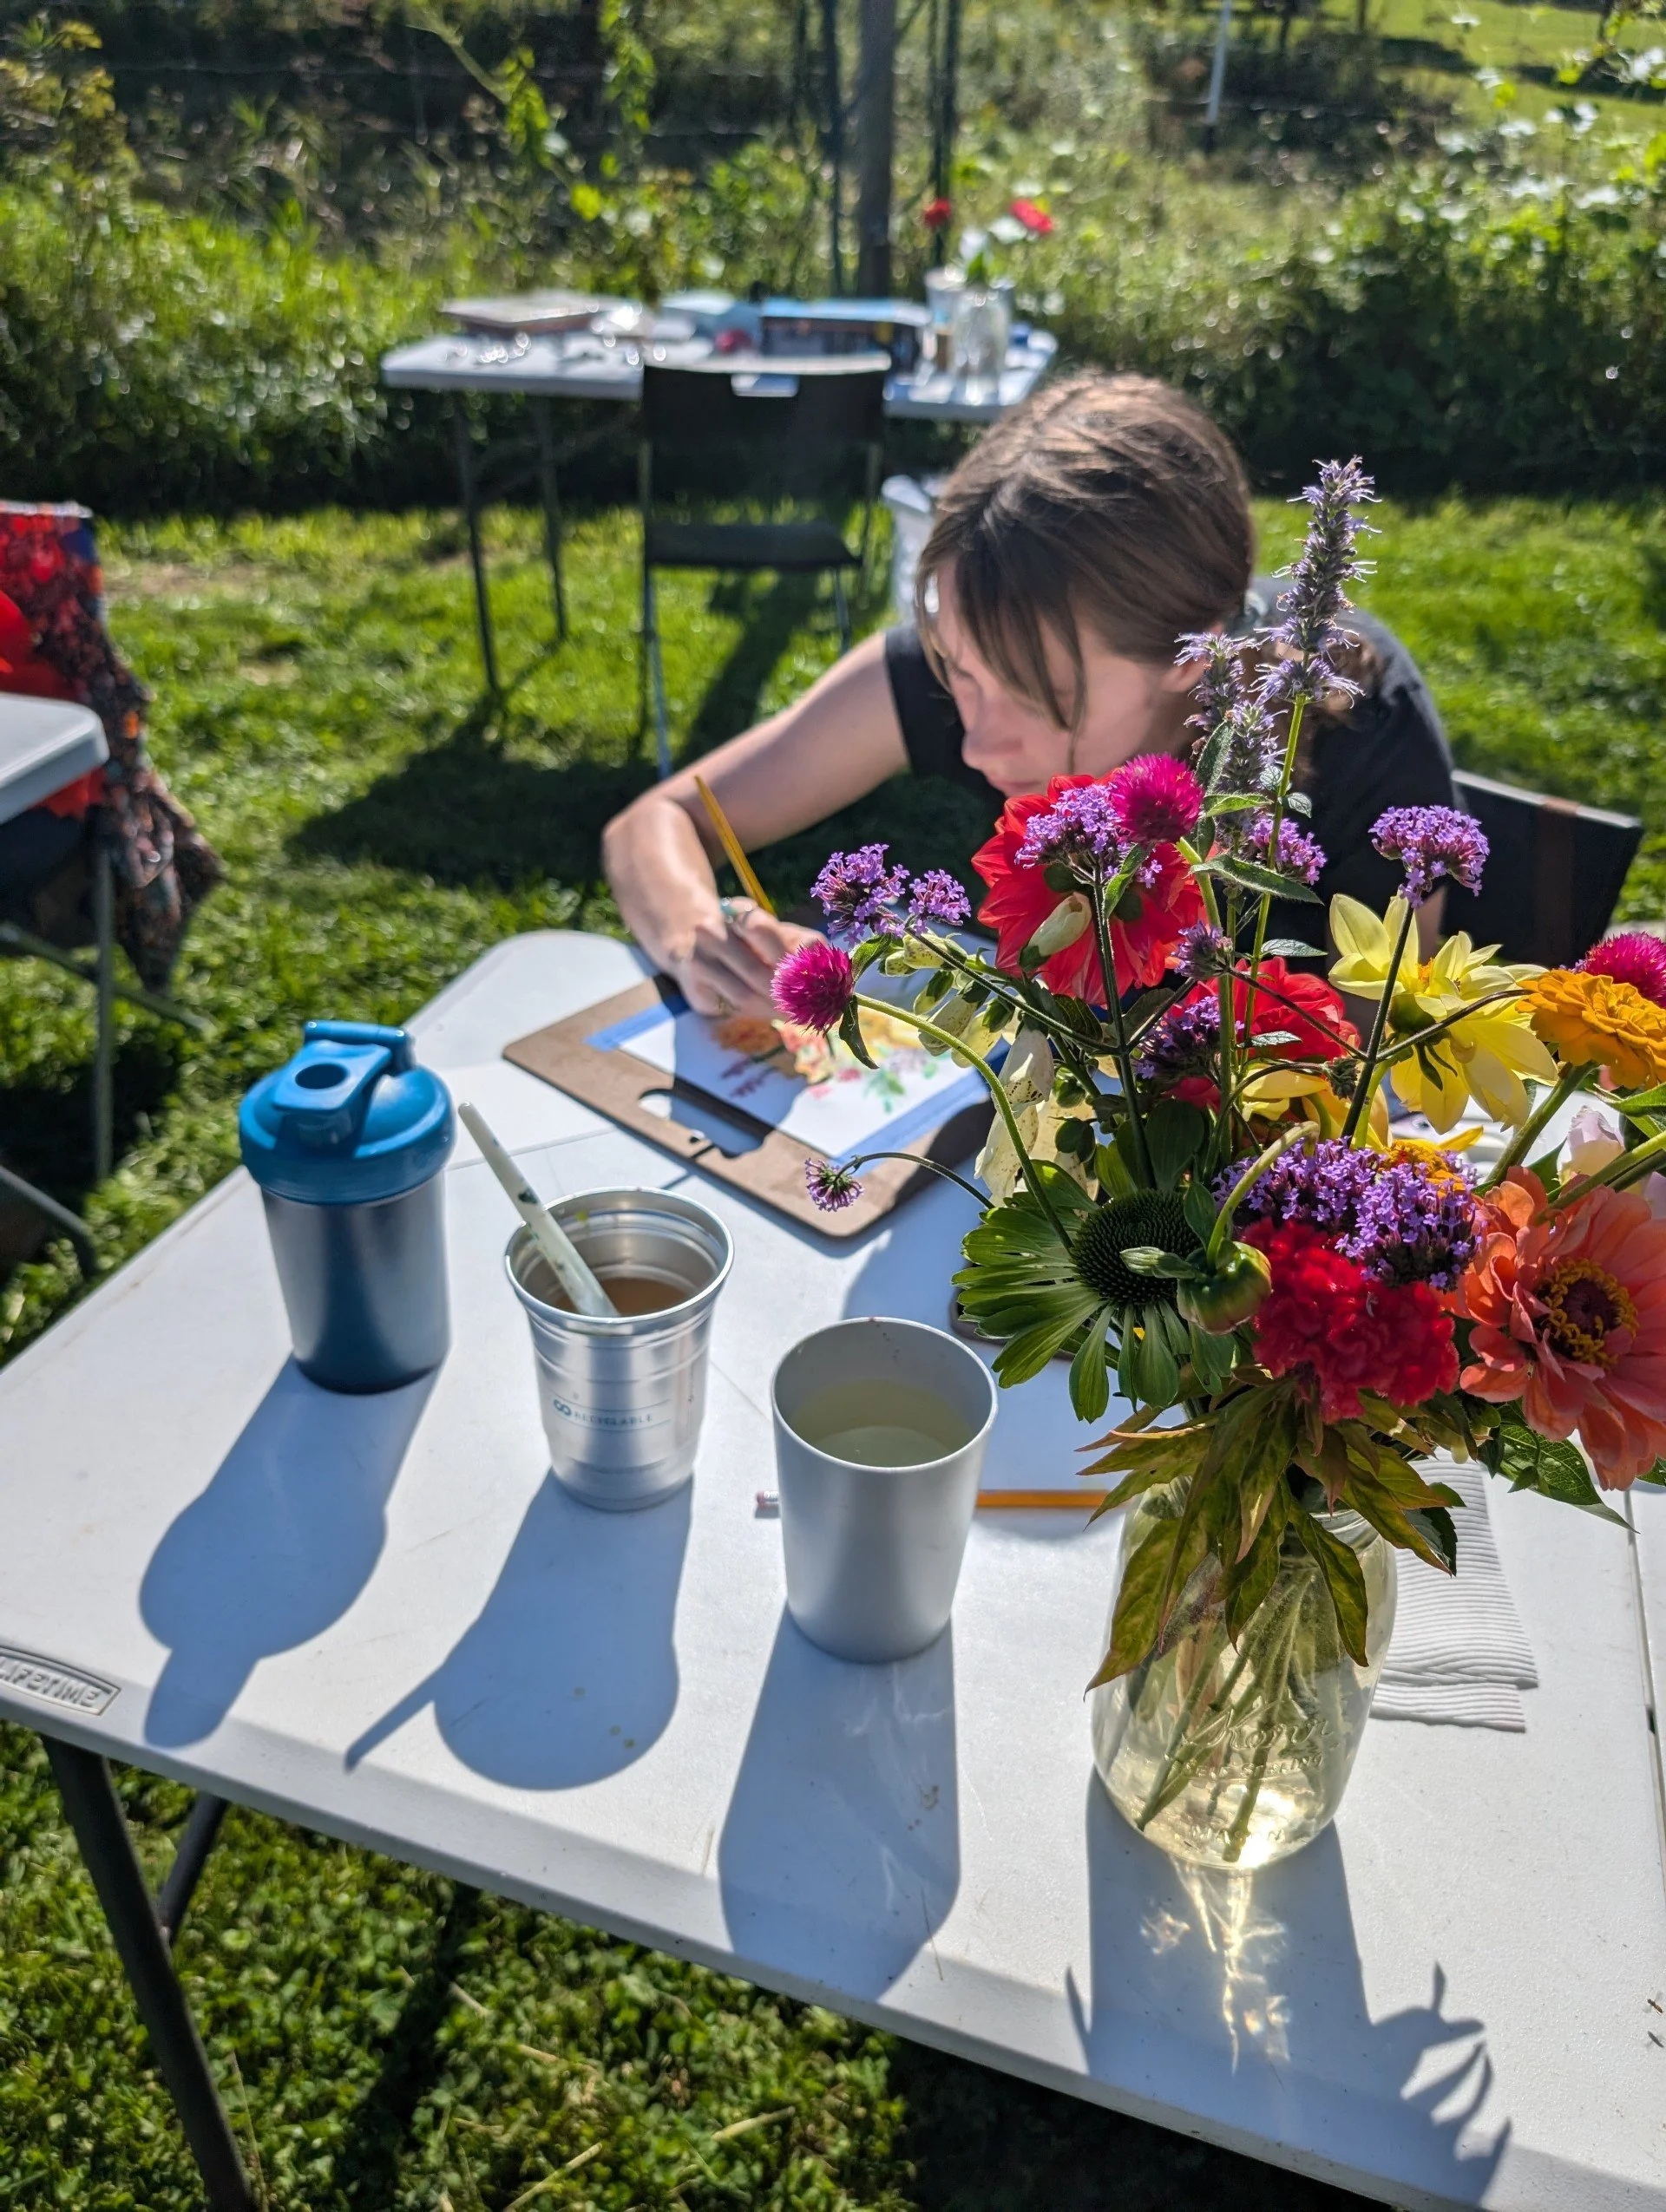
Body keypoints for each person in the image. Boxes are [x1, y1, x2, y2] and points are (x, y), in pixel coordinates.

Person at [602, 372, 1457, 1018]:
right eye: (957, 668)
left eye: (1039, 692)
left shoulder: (1352, 724)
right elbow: (659, 821)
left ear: (1192, 657)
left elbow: (1370, 1062)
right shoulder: (987, 646)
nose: (976, 743)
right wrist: (692, 934)